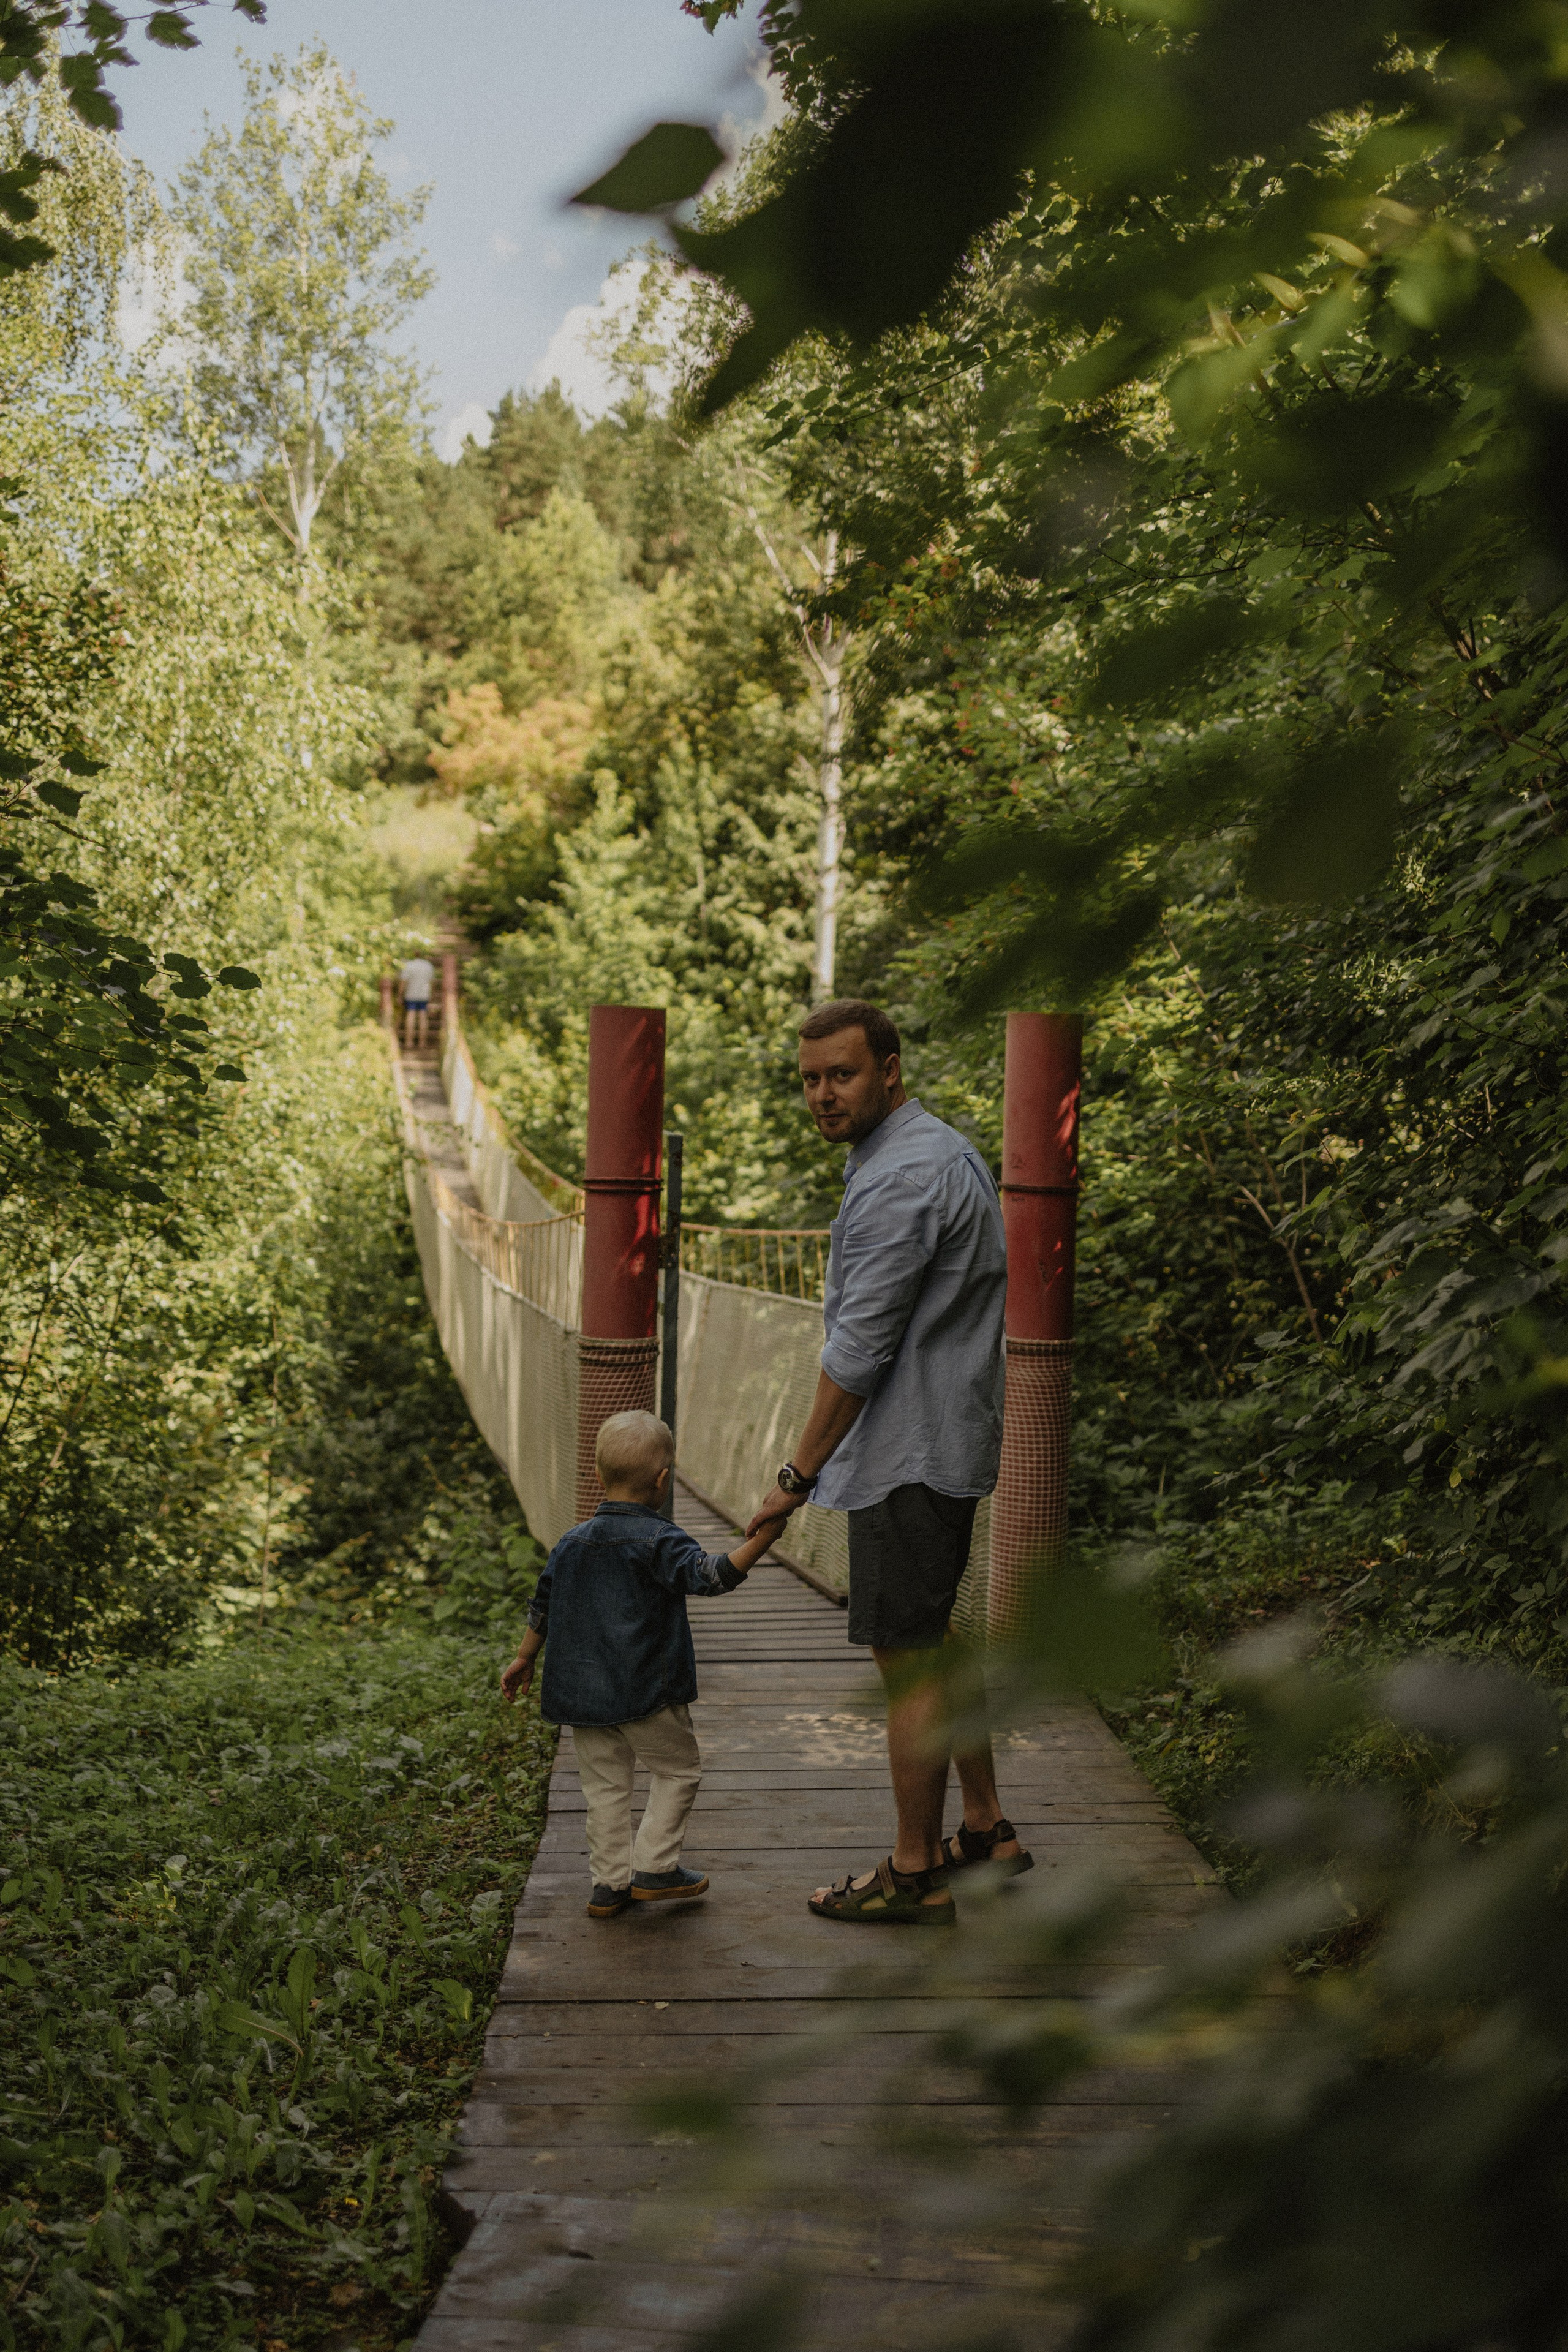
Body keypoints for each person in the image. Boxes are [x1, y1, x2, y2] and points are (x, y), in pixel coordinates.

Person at [747, 999, 1031, 1926]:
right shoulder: (934, 1151)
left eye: (843, 1074)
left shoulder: (901, 1179)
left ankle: (913, 1872)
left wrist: (791, 1482)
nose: (823, 1095)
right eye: (811, 1079)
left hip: (908, 1451)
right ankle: (985, 1828)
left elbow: (858, 1353)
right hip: (942, 1439)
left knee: (906, 1659)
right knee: (934, 1638)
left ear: (890, 1071)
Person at [502, 1410, 784, 1920]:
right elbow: (711, 1577)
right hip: (647, 1691)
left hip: (585, 1697)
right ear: (663, 1480)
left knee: (605, 1790)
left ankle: (608, 1885)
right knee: (678, 1771)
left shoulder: (569, 1543)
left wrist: (525, 1657)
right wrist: (762, 1541)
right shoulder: (662, 1540)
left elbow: (543, 1605)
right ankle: (654, 1866)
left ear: (597, 1476)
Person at [399, 953, 436, 1053]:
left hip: (411, 994)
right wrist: (431, 995)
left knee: (411, 1015)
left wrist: (400, 994)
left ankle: (409, 1042)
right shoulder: (428, 966)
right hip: (424, 995)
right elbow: (432, 983)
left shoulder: (408, 965)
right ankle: (422, 1042)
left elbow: (403, 981)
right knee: (423, 1016)